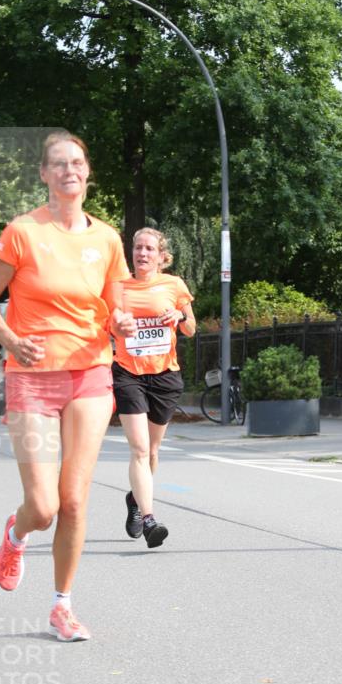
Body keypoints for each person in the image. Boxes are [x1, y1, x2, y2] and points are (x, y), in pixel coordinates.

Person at [0, 131, 136, 642]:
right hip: (32, 379)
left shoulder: (107, 239)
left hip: (90, 374)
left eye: (78, 163)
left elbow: (116, 307)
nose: (70, 170)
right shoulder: (22, 232)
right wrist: (11, 340)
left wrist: (124, 324)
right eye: (59, 164)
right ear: (44, 174)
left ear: (88, 173)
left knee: (73, 500)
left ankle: (62, 606)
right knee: (43, 506)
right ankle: (16, 534)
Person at [111, 227, 196, 546]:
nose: (142, 254)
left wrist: (177, 316)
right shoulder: (117, 287)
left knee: (154, 451)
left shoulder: (174, 285)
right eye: (137, 248)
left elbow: (190, 328)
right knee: (140, 448)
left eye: (149, 249)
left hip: (164, 375)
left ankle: (135, 500)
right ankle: (149, 519)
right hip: (128, 372)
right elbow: (109, 324)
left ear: (161, 256)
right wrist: (120, 324)